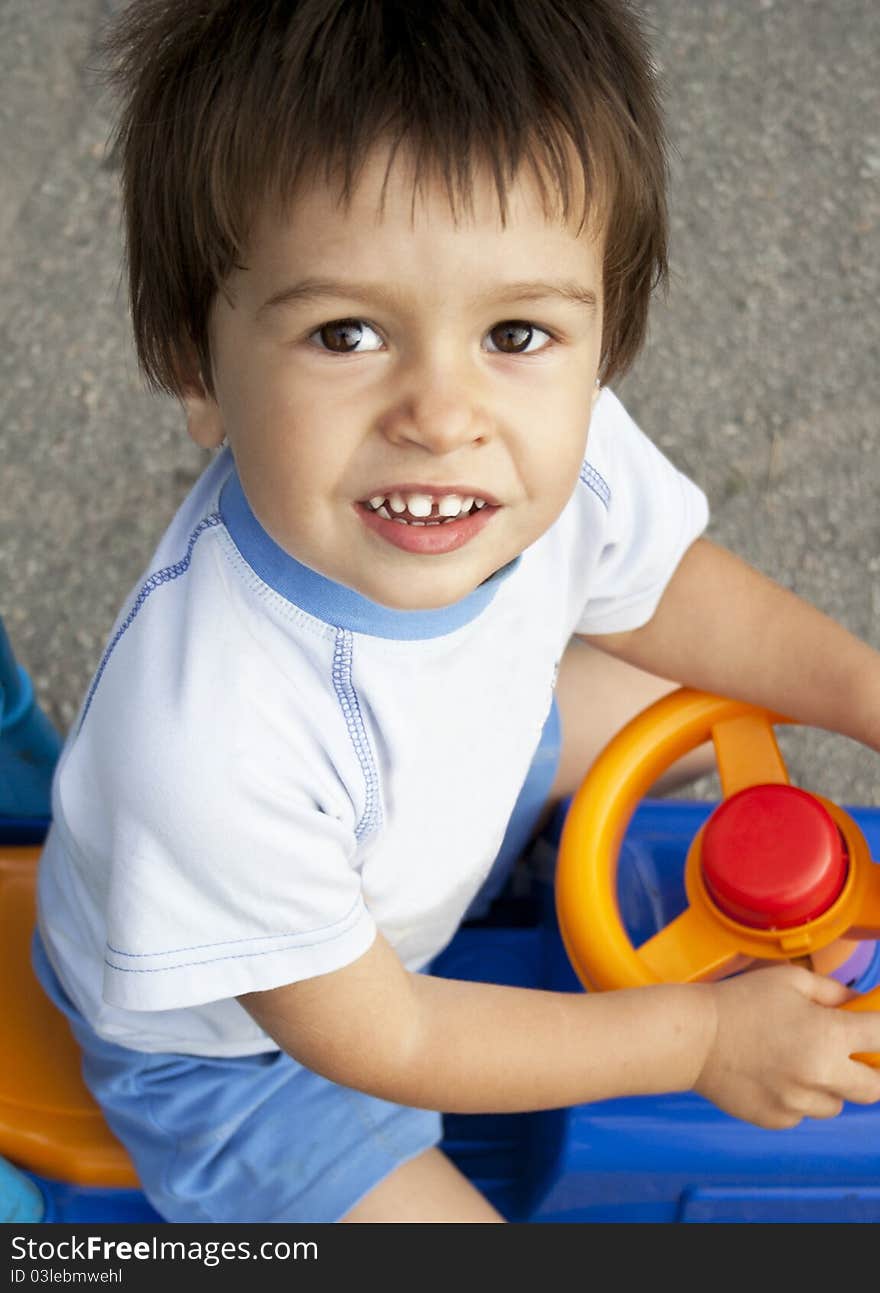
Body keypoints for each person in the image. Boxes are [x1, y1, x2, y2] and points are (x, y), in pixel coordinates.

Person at [33, 0, 880, 1224]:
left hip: (452, 768)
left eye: (516, 332)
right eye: (347, 332)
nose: (442, 412)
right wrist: (694, 1036)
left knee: (689, 686)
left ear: (601, 343)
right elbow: (387, 1035)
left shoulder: (538, 447)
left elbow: (667, 590)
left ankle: (514, 860)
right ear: (193, 365)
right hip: (257, 1061)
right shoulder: (206, 747)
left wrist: (862, 693)